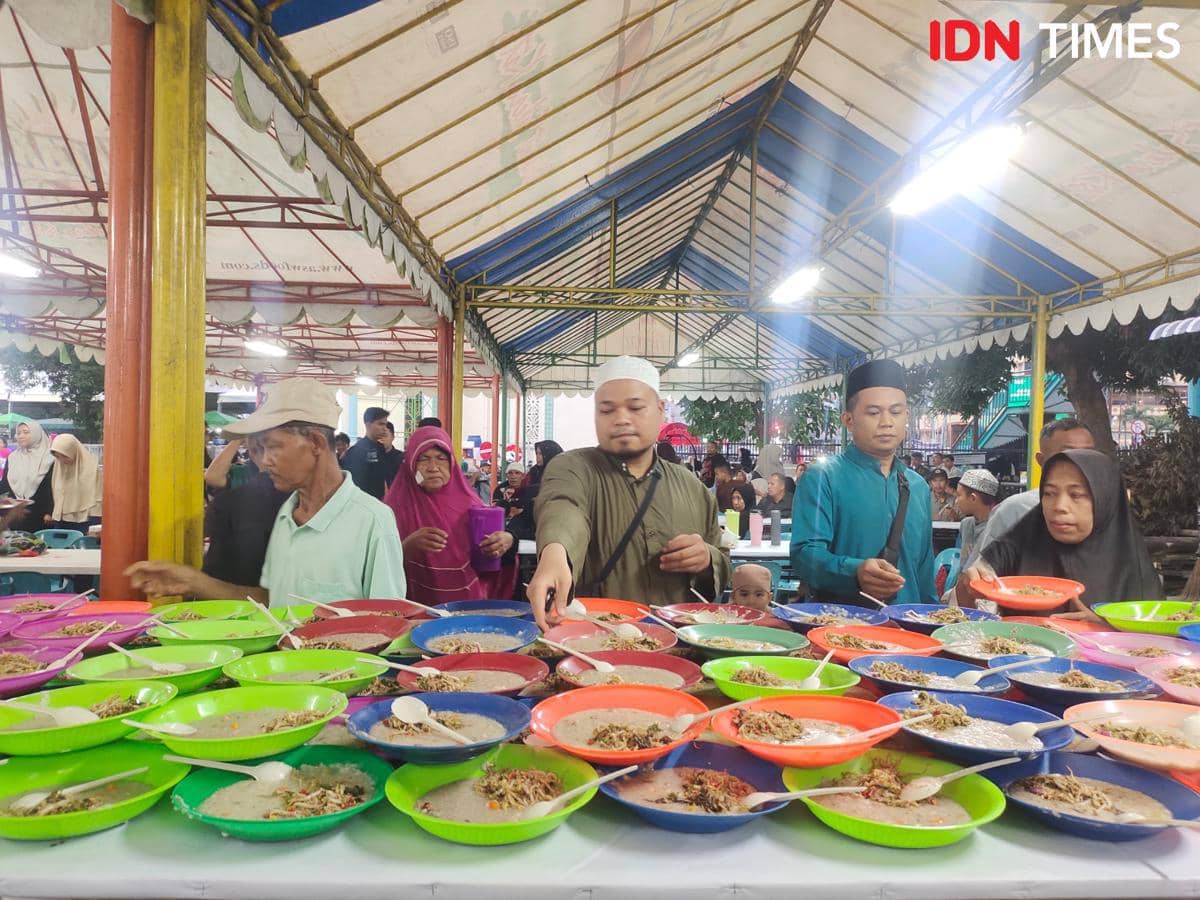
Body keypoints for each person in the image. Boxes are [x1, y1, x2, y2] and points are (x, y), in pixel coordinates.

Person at [127, 378, 406, 605]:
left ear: (317, 443)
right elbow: (272, 602)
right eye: (259, 449)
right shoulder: (287, 515)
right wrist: (192, 581)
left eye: (273, 446)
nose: (265, 460)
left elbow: (387, 623)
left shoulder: (372, 522)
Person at [527, 356, 731, 629]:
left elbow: (722, 561)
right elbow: (563, 506)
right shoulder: (574, 467)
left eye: (635, 407)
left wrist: (707, 559)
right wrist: (555, 554)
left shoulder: (692, 487)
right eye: (607, 410)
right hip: (594, 647)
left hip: (679, 649)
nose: (621, 419)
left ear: (660, 410)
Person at [791, 358, 934, 605]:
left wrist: (930, 622)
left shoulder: (918, 486)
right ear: (848, 420)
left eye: (896, 412)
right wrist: (854, 571)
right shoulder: (823, 478)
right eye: (873, 412)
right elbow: (805, 556)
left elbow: (923, 569)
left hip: (906, 630)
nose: (887, 422)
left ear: (906, 416)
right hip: (841, 628)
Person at [958, 449, 1163, 609]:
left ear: (1106, 501)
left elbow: (1155, 643)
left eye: (1076, 495)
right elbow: (968, 615)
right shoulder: (1018, 544)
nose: (1059, 506)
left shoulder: (1132, 565)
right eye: (1049, 493)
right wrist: (969, 585)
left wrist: (1107, 627)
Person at [382, 425, 518, 603]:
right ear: (411, 464)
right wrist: (405, 549)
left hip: (468, 609)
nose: (433, 468)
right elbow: (373, 566)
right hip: (414, 608)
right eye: (424, 459)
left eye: (441, 458)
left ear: (452, 463)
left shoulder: (473, 506)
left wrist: (506, 542)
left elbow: (493, 562)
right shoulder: (392, 509)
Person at [973, 419, 1095, 561]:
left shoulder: (1111, 509)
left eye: (1089, 454)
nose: (1081, 462)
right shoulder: (1015, 510)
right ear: (1041, 460)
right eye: (1067, 455)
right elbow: (983, 571)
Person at [202, 435, 290, 588]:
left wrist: (238, 438)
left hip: (238, 589)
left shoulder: (228, 501)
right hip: (277, 586)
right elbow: (212, 477)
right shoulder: (243, 471)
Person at [0, 421, 54, 532]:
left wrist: (50, 511)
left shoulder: (50, 458)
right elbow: (5, 485)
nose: (21, 436)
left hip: (42, 515)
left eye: (25, 432)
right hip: (16, 513)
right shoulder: (13, 458)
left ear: (36, 434)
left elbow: (53, 487)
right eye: (18, 433)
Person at [507, 440, 564, 542]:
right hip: (529, 515)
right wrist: (514, 496)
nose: (537, 457)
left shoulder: (560, 472)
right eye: (536, 453)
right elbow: (523, 490)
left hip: (550, 518)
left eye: (541, 454)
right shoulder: (534, 471)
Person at [46, 435, 102, 532]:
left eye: (65, 456)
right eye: (58, 456)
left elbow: (97, 499)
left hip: (85, 522)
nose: (62, 460)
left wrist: (94, 525)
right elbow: (55, 493)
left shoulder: (92, 470)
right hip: (61, 522)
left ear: (74, 452)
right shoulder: (58, 467)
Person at [340, 406, 392, 499]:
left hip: (380, 501)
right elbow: (355, 483)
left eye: (385, 425)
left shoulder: (381, 447)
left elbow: (383, 476)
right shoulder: (357, 450)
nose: (385, 429)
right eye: (381, 424)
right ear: (368, 424)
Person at [954, 469, 1000, 567]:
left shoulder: (998, 529)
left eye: (958, 495)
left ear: (973, 498)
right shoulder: (966, 524)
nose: (956, 501)